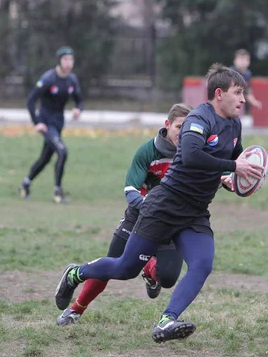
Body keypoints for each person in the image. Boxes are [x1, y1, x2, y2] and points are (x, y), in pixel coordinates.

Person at [54, 63, 263, 343]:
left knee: (202, 264)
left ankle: (167, 320)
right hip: (164, 205)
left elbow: (231, 162)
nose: (242, 99)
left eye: (243, 93)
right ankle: (76, 273)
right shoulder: (199, 118)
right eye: (238, 92)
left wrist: (231, 176)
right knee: (125, 268)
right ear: (218, 93)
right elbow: (190, 155)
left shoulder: (234, 125)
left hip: (195, 211)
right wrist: (231, 166)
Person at [56, 103, 191, 325]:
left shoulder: (191, 154)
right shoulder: (148, 152)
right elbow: (130, 190)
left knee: (168, 277)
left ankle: (149, 270)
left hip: (169, 223)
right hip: (139, 217)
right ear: (167, 125)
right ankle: (75, 308)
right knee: (112, 266)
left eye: (188, 129)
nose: (183, 133)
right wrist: (150, 207)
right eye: (179, 127)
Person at [18, 47, 83, 204]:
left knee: (46, 158)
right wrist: (37, 122)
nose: (68, 63)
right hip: (46, 124)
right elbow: (31, 100)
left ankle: (25, 184)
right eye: (65, 59)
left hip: (58, 123)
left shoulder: (71, 80)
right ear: (59, 61)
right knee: (62, 151)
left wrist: (78, 109)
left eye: (71, 59)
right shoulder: (48, 79)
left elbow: (79, 100)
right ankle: (57, 192)